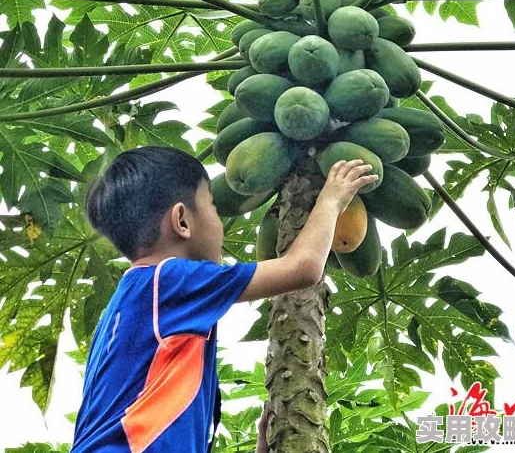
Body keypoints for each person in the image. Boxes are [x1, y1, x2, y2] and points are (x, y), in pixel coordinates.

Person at [70, 145, 378, 453]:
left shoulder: (127, 308)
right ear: (182, 221)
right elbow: (303, 268)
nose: (219, 222)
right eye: (213, 207)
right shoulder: (169, 280)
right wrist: (332, 199)